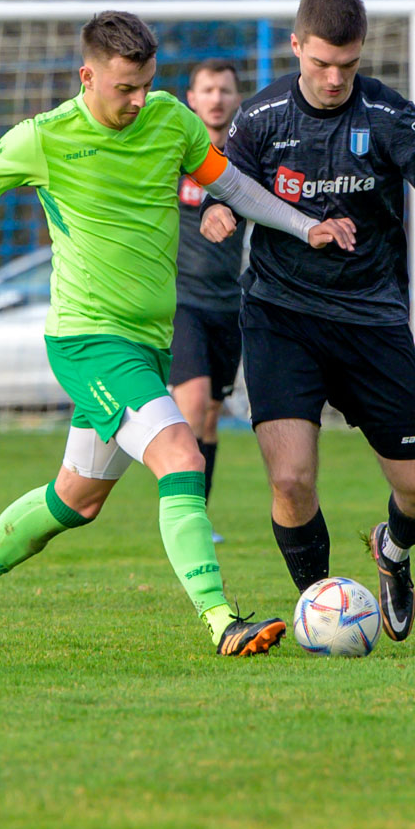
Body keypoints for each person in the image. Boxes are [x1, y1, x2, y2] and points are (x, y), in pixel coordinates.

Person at [0, 11, 357, 656]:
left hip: (146, 344)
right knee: (182, 457)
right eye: (124, 88)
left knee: (74, 500)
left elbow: (236, 187)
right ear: (87, 76)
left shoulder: (171, 120)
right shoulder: (43, 137)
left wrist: (305, 225)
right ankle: (222, 623)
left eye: (147, 84)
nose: (138, 100)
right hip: (88, 341)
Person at [200, 0, 415, 643]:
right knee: (291, 478)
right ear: (296, 46)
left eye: (347, 65)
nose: (334, 79)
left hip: (371, 319)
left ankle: (392, 551)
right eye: (321, 63)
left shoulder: (390, 115)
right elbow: (224, 184)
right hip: (280, 315)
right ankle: (323, 607)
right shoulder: (260, 117)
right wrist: (216, 211)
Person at [169, 59, 245, 543]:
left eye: (225, 90)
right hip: (182, 302)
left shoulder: (246, 159)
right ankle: (183, 517)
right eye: (207, 90)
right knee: (193, 405)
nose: (216, 98)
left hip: (230, 304)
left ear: (236, 99)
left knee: (212, 415)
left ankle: (200, 513)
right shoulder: (175, 155)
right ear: (192, 99)